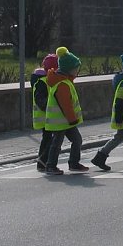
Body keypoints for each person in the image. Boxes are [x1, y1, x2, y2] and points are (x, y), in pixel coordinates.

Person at [42, 47, 88, 175]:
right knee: (57, 143)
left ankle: (73, 163)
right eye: (76, 68)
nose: (78, 71)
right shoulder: (62, 84)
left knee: (76, 140)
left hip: (65, 121)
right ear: (69, 69)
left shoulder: (65, 82)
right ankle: (50, 166)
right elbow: (65, 105)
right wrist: (72, 119)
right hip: (61, 121)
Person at [32, 52, 59, 171]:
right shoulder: (43, 82)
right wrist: (48, 106)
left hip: (48, 116)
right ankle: (42, 161)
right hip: (46, 116)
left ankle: (43, 161)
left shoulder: (45, 80)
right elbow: (40, 100)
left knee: (48, 138)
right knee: (50, 139)